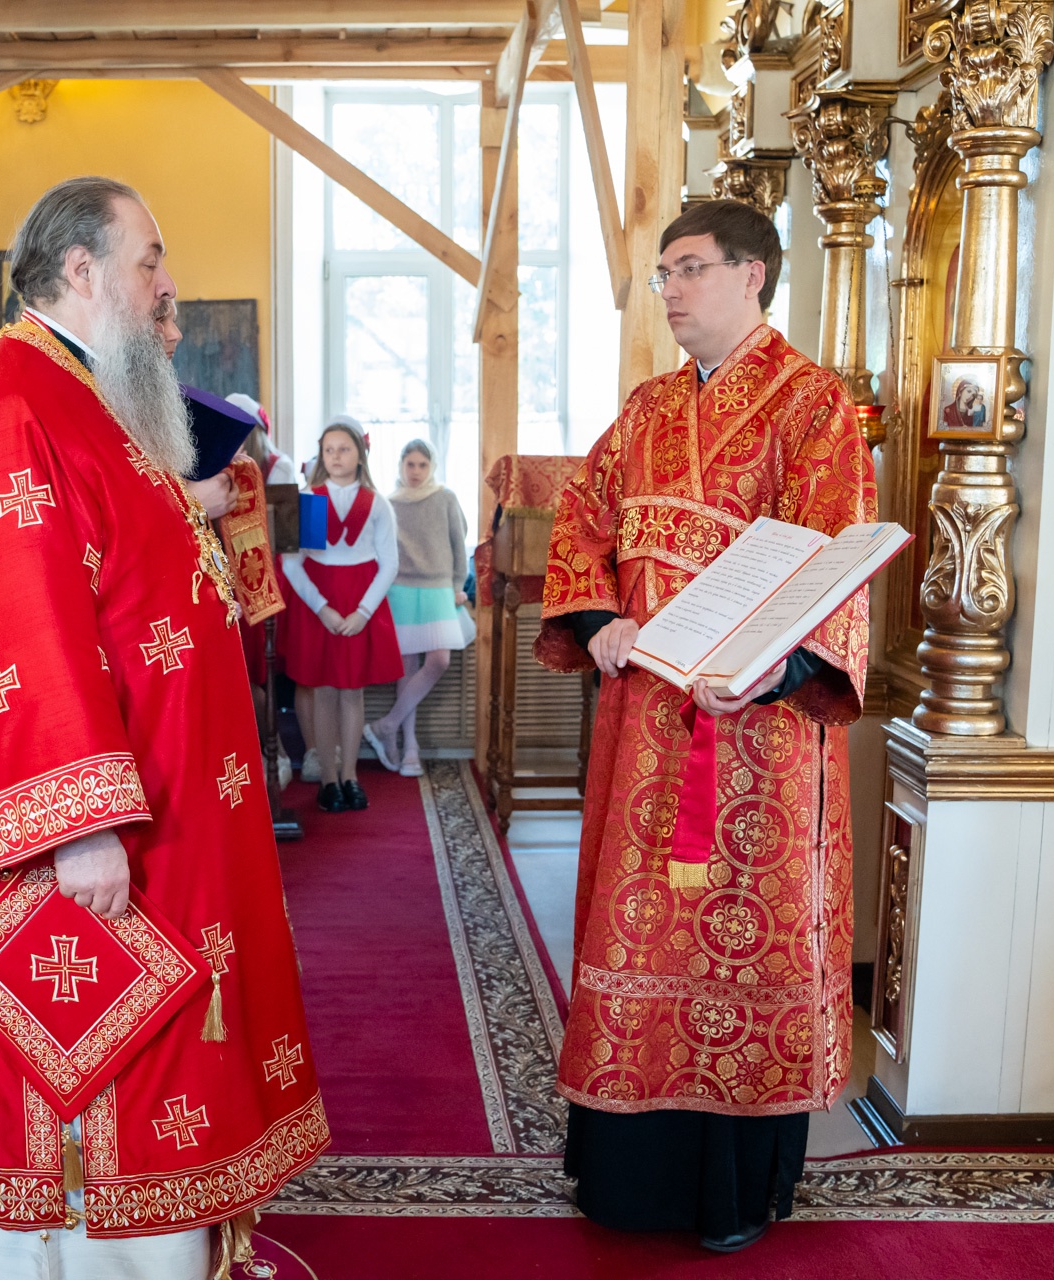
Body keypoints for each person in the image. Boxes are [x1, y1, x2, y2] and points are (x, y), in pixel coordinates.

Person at [0, 176, 326, 1280]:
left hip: (170, 815)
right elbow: (16, 630)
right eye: (150, 258)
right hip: (97, 844)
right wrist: (77, 823)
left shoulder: (78, 394)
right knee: (107, 1072)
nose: (167, 284)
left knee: (169, 1055)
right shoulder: (12, 403)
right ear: (78, 269)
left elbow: (121, 573)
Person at [535, 200, 873, 1253]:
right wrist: (595, 618)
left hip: (758, 738)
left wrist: (777, 664)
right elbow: (581, 516)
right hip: (647, 725)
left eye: (689, 269)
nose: (670, 290)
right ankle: (623, 1174)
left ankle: (733, 1189)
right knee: (636, 929)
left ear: (754, 274)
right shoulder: (641, 410)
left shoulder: (816, 406)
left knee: (739, 950)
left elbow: (835, 557)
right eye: (662, 273)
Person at [275, 419, 400, 813]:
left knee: (352, 691)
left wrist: (364, 612)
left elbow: (389, 563)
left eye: (344, 449)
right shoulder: (309, 499)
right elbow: (293, 564)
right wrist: (323, 609)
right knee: (324, 691)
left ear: (360, 455)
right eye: (329, 450)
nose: (335, 457)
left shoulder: (376, 503)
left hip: (361, 598)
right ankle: (328, 778)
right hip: (321, 603)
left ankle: (351, 775)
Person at [363, 439, 469, 779]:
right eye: (411, 464)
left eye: (423, 465)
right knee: (405, 670)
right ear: (400, 465)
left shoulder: (445, 497)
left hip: (438, 589)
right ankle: (409, 748)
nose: (416, 471)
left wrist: (457, 585)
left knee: (439, 660)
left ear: (432, 466)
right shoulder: (388, 503)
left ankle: (386, 724)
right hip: (400, 590)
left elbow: (458, 542)